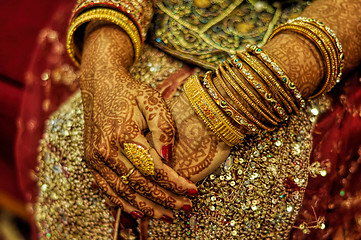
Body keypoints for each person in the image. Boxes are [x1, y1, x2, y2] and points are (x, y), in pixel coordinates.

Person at [32, 0, 361, 239]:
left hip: (322, 25)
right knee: (74, 148)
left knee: (240, 193)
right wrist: (102, 67)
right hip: (171, 14)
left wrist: (232, 102)